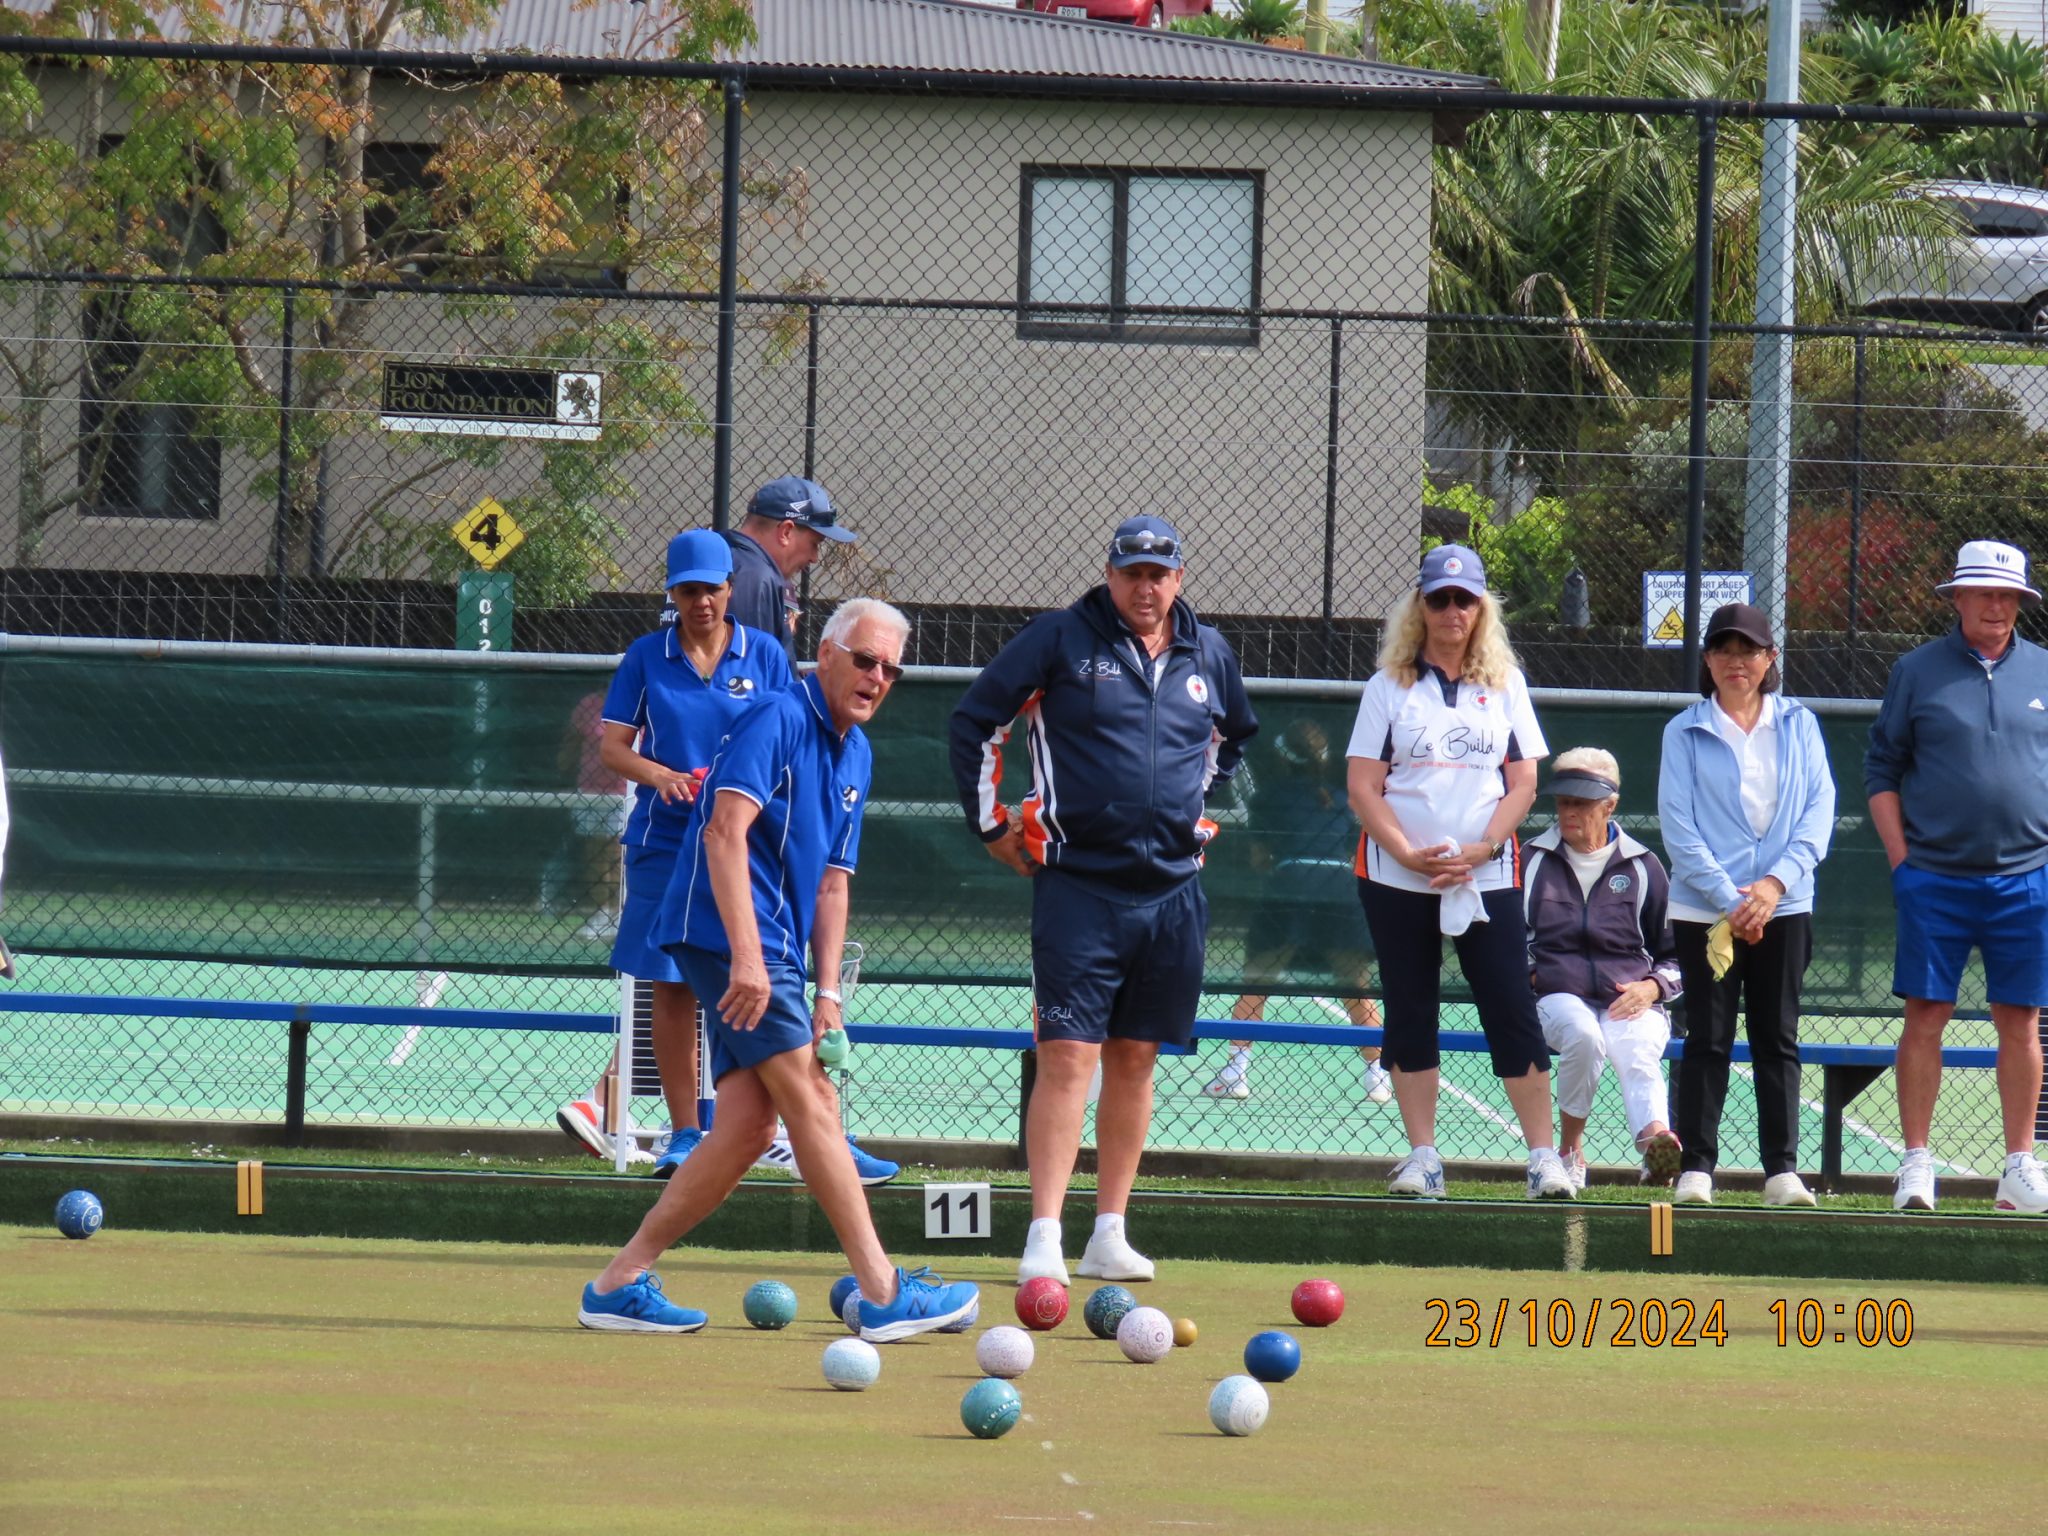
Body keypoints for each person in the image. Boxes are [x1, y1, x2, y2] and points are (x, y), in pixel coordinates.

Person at [578, 598, 978, 1335]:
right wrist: (748, 959)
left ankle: (617, 1283)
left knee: (747, 1128)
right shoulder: (775, 716)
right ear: (825, 655)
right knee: (814, 1098)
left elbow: (832, 883)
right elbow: (723, 833)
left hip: (773, 946)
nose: (877, 677)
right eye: (865, 660)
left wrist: (828, 994)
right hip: (728, 931)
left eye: (891, 669)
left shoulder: (856, 752)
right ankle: (884, 1292)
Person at [950, 514, 1257, 1285]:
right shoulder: (1058, 638)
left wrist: (1192, 810)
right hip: (1077, 887)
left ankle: (1108, 1234)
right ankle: (1044, 1235)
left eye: (1158, 575)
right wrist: (990, 826)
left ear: (1179, 578)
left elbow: (1232, 739)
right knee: (1066, 1056)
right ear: (1110, 575)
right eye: (1132, 574)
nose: (1145, 588)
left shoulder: (1210, 653)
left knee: (1137, 1057)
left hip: (1174, 894)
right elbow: (976, 722)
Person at [555, 531, 792, 1173]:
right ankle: (685, 1132)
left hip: (745, 844)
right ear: (673, 594)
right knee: (671, 984)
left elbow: (788, 740)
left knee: (752, 978)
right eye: (688, 591)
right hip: (664, 841)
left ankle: (753, 1128)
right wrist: (660, 776)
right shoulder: (646, 656)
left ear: (729, 589)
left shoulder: (766, 655)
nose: (701, 602)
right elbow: (613, 747)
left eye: (711, 589)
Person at [1346, 544, 1568, 1201]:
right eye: (1439, 598)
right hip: (1397, 875)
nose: (1451, 610)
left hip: (1486, 874)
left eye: (1464, 599)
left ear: (1481, 608)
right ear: (1420, 605)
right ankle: (1424, 1159)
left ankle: (1544, 1159)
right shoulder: (1388, 686)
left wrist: (1485, 846)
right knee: (1409, 1007)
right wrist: (1406, 852)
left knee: (1510, 1004)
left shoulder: (1505, 684)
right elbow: (1364, 786)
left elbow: (1523, 782)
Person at [1865, 540, 2048, 1215]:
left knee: (2021, 1022)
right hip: (1933, 879)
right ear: (1959, 598)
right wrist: (1903, 864)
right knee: (1925, 1016)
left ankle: (2019, 1168)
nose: (1997, 606)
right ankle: (1916, 1165)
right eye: (1985, 594)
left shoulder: (2045, 670)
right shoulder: (1915, 671)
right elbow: (1882, 770)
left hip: (2027, 880)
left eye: (2008, 596)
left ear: (2020, 603)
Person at [1658, 602, 1835, 1208]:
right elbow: (1679, 827)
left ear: (1770, 659)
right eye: (1724, 650)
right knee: (1707, 1036)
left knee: (1776, 1035)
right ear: (1707, 660)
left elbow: (1818, 812)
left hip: (1784, 904)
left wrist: (1773, 887)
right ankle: (1697, 1170)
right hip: (1704, 909)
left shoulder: (1801, 724)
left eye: (1750, 651)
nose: (1737, 661)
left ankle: (1781, 1173)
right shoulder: (1682, 731)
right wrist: (1728, 898)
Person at [1203, 718, 1390, 1106]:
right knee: (1356, 985)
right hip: (1341, 892)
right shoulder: (1340, 798)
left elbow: (1260, 859)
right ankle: (1378, 1077)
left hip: (1289, 890)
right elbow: (1349, 852)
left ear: (1282, 757)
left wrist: (1281, 863)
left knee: (1256, 981)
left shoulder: (1266, 798)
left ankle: (1236, 1072)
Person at [1523, 747, 1683, 1189]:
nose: (1568, 812)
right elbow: (1506, 940)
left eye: (1581, 802)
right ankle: (1570, 1151)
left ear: (1610, 806)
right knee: (1584, 1035)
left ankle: (1655, 1144)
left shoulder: (1645, 866)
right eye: (1563, 802)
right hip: (1556, 995)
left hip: (1630, 996)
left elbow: (1677, 955)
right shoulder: (1531, 859)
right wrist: (1534, 975)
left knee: (1638, 1048)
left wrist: (1653, 988)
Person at [721, 476, 857, 657]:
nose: (815, 558)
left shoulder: (733, 561)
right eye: (814, 543)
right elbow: (748, 670)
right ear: (785, 532)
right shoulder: (754, 579)